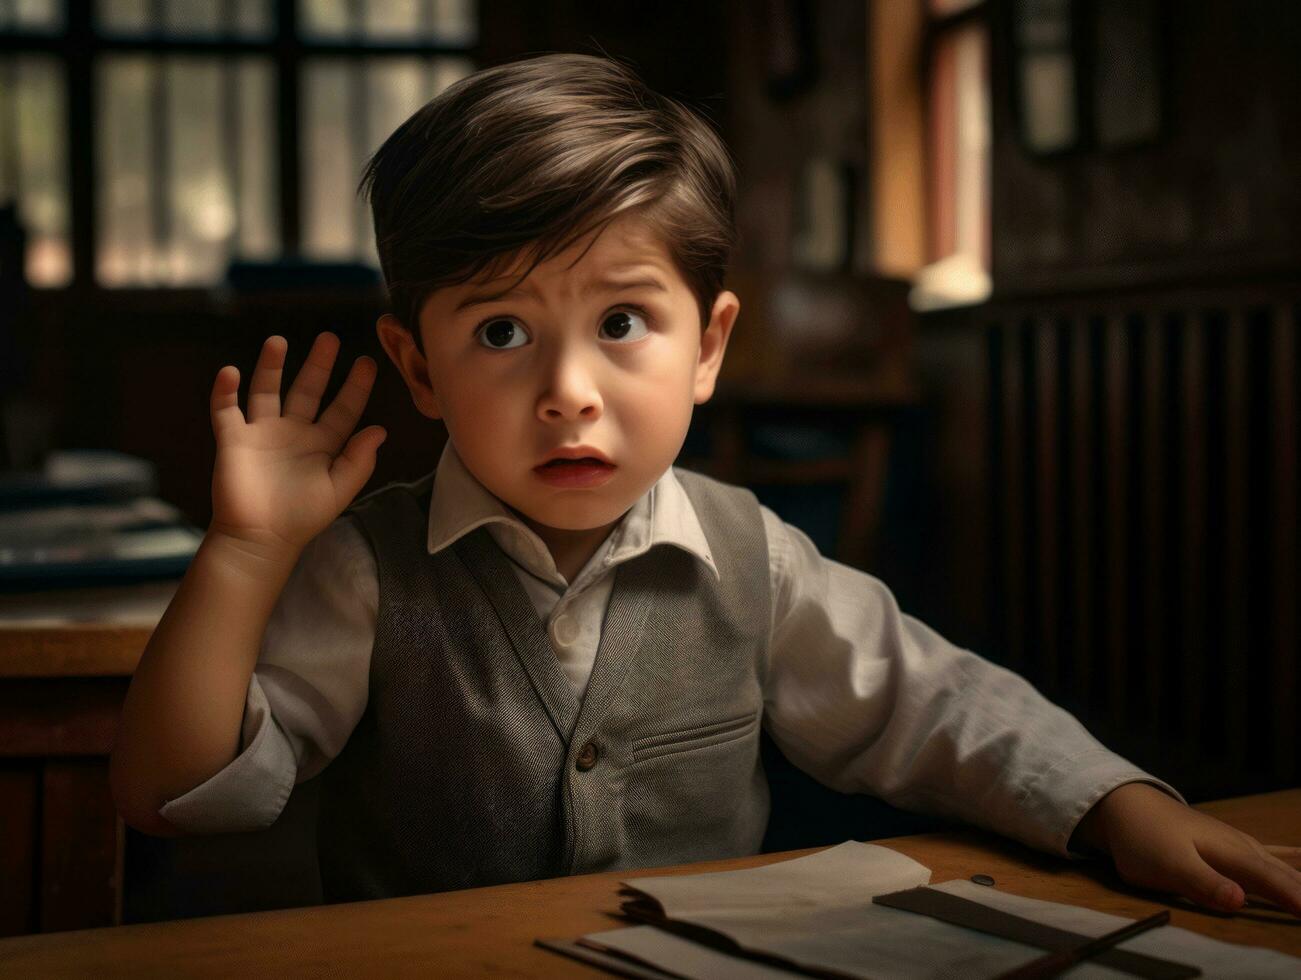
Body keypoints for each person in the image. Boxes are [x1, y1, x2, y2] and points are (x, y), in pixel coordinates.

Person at [110, 53, 1301, 914]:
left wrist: (1112, 803)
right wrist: (245, 554)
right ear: (417, 366)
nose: (569, 389)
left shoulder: (754, 555)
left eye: (623, 319)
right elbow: (180, 798)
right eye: (502, 333)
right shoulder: (370, 570)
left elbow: (930, 706)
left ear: (710, 345)